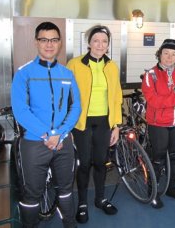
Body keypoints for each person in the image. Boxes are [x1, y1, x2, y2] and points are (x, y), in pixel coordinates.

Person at [11, 22, 81, 228]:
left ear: (59, 43)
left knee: (66, 188)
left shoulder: (67, 74)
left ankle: (70, 224)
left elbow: (75, 106)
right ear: (36, 42)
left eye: (54, 40)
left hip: (63, 141)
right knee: (32, 193)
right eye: (44, 39)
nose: (49, 44)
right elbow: (21, 110)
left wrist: (59, 134)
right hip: (34, 142)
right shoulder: (24, 73)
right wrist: (47, 134)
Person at [67, 25, 122, 223]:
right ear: (89, 43)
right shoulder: (74, 64)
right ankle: (82, 202)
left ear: (108, 45)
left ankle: (100, 198)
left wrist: (116, 124)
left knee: (100, 162)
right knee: (84, 163)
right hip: (82, 122)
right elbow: (67, 97)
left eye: (104, 41)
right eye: (96, 41)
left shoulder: (112, 66)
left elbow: (116, 96)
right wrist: (68, 126)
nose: (100, 45)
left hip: (104, 122)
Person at [141, 39, 175, 209]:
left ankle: (170, 188)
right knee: (158, 158)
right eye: (166, 53)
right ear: (159, 54)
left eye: (173, 54)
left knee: (174, 156)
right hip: (158, 124)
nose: (169, 57)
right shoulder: (151, 75)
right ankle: (152, 192)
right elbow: (153, 100)